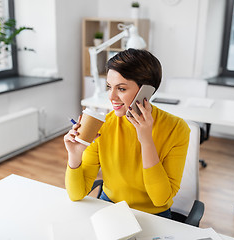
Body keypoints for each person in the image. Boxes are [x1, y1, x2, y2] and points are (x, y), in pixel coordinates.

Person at [64, 49, 190, 219]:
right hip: (111, 208)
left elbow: (160, 199)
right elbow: (76, 194)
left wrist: (146, 141)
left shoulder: (177, 128)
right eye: (109, 87)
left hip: (154, 215)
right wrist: (74, 156)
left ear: (146, 91)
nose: (112, 96)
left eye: (121, 89)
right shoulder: (103, 126)